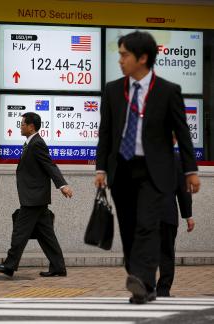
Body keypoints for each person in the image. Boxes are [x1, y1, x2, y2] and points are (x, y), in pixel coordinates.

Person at [94, 31, 200, 304]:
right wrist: (100, 168)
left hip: (155, 171)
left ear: (142, 58)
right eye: (120, 54)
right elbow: (105, 132)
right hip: (122, 169)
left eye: (124, 55)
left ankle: (141, 280)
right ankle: (144, 282)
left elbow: (183, 133)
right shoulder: (113, 89)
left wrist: (190, 170)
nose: (120, 60)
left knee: (147, 225)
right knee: (129, 227)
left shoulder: (168, 91)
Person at [0, 112, 73, 278]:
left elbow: (50, 165)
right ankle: (58, 267)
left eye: (22, 124)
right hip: (36, 197)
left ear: (31, 126)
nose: (20, 127)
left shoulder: (36, 144)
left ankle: (9, 265)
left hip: (33, 198)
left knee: (20, 232)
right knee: (46, 235)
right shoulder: (30, 143)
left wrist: (62, 185)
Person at [157, 142, 194, 297]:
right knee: (166, 253)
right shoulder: (177, 160)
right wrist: (188, 216)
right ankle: (163, 290)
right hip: (167, 213)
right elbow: (184, 191)